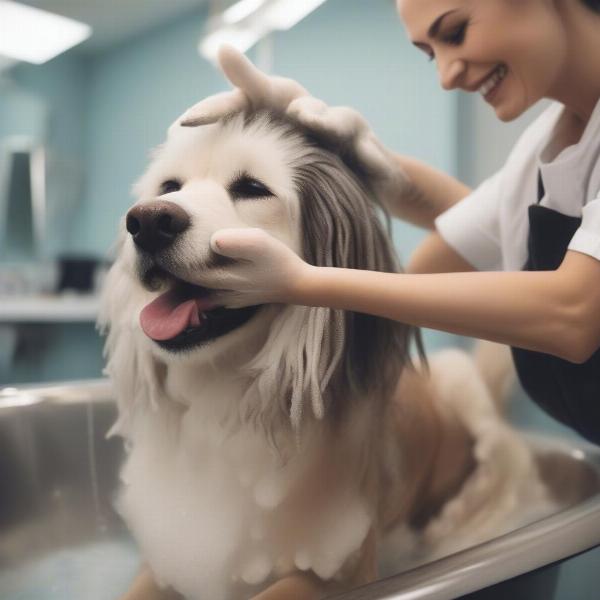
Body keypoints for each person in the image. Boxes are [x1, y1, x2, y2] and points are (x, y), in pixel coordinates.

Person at [181, 0, 600, 444]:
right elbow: (452, 247)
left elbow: (570, 314)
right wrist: (356, 157)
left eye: (456, 32)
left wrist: (300, 282)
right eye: (430, 53)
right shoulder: (541, 148)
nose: (447, 75)